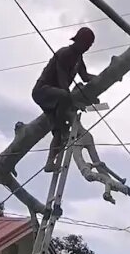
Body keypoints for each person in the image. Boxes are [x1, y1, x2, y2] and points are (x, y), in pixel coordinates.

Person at [32, 26, 98, 172]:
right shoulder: (65, 54)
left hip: (55, 99)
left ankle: (50, 163)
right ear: (79, 41)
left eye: (90, 46)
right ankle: (62, 127)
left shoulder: (78, 59)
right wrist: (75, 101)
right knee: (64, 97)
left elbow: (85, 77)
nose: (87, 48)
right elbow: (63, 84)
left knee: (59, 132)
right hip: (43, 91)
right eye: (86, 44)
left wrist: (102, 77)